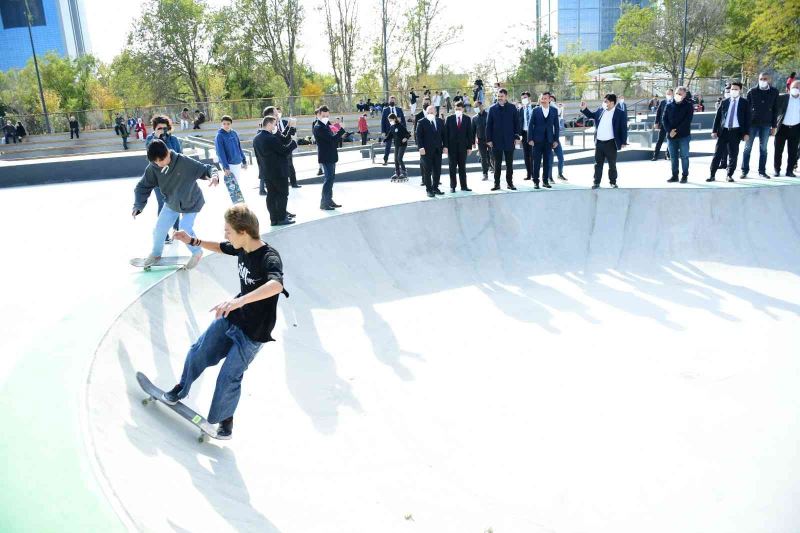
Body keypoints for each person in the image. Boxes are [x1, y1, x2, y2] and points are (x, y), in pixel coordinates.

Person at [160, 204, 288, 440]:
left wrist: (238, 302)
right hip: (233, 317)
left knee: (229, 376)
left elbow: (276, 285)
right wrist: (193, 240)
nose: (225, 234)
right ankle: (182, 387)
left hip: (253, 332)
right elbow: (220, 247)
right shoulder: (241, 248)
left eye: (228, 230)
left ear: (244, 232)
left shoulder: (269, 257)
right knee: (200, 350)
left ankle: (225, 418)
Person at [131, 139, 220, 269]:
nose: (159, 164)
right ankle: (156, 254)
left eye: (161, 160)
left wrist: (214, 176)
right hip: (172, 202)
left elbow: (206, 168)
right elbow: (142, 187)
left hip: (191, 201)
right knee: (159, 230)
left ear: (167, 152)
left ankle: (197, 252)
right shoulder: (153, 168)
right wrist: (138, 205)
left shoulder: (183, 162)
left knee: (184, 228)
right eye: (155, 161)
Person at [253, 115, 298, 226]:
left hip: (266, 172)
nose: (275, 126)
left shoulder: (256, 138)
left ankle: (274, 219)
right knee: (283, 194)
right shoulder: (270, 138)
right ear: (268, 124)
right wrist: (293, 144)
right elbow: (284, 151)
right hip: (278, 172)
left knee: (271, 195)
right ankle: (282, 218)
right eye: (274, 124)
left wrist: (289, 128)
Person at [146, 115, 184, 242]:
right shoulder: (150, 139)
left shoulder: (173, 140)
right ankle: (163, 233)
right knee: (162, 204)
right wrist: (156, 138)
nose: (162, 130)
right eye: (159, 128)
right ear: (155, 128)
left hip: (173, 177)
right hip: (158, 179)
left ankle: (177, 230)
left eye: (164, 128)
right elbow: (149, 155)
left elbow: (180, 157)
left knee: (175, 203)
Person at [579, 93, 628, 189]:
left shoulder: (620, 113)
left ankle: (613, 182)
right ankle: (596, 182)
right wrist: (584, 108)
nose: (604, 103)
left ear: (612, 102)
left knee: (612, 164)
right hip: (599, 142)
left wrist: (623, 141)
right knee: (598, 164)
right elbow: (592, 115)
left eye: (606, 101)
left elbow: (623, 128)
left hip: (611, 143)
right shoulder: (601, 110)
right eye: (604, 101)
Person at [706, 82, 751, 183]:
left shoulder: (745, 103)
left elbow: (748, 119)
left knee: (733, 155)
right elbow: (718, 117)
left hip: (736, 132)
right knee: (717, 154)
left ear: (740, 91)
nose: (733, 91)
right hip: (723, 131)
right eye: (732, 89)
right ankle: (712, 175)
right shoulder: (725, 102)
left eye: (736, 89)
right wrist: (714, 130)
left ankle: (729, 175)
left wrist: (746, 133)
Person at [741, 72, 779, 179]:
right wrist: (745, 128)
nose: (763, 80)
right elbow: (746, 110)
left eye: (765, 79)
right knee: (747, 148)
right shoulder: (752, 91)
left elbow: (775, 110)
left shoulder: (774, 92)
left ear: (769, 80)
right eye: (761, 78)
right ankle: (744, 171)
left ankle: (762, 171)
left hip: (766, 124)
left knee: (763, 149)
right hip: (752, 124)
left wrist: (774, 126)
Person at [485, 88, 520, 191]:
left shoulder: (512, 108)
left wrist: (517, 137)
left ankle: (510, 183)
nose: (499, 98)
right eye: (498, 96)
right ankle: (497, 184)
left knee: (509, 164)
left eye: (501, 96)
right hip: (496, 141)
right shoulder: (492, 109)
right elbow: (488, 126)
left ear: (506, 97)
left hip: (510, 140)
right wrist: (489, 140)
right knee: (497, 164)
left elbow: (517, 123)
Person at [313, 105, 346, 210]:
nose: (326, 117)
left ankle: (329, 200)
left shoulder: (326, 124)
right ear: (318, 115)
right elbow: (332, 139)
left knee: (331, 179)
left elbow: (333, 138)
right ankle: (324, 203)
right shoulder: (318, 127)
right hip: (326, 156)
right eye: (323, 115)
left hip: (331, 155)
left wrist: (340, 132)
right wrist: (341, 130)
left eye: (327, 115)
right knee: (328, 179)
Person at [527, 93, 560, 189]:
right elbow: (530, 125)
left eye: (545, 98)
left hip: (549, 141)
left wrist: (556, 140)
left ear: (549, 99)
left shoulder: (554, 110)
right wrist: (530, 139)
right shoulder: (535, 110)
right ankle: (536, 181)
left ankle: (545, 181)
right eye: (542, 98)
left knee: (547, 162)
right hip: (537, 140)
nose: (543, 100)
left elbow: (556, 127)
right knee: (536, 162)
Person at [662, 86, 694, 183]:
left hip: (683, 136)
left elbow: (687, 121)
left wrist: (675, 131)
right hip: (671, 137)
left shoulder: (688, 105)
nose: (678, 95)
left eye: (680, 94)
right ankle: (674, 175)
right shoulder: (669, 105)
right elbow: (664, 119)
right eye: (677, 93)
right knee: (673, 157)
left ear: (684, 95)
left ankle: (684, 176)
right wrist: (669, 131)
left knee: (684, 156)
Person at [214, 115, 247, 204]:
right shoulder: (219, 136)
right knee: (231, 185)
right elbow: (221, 153)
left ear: (231, 124)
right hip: (229, 164)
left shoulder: (234, 133)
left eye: (228, 124)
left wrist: (244, 160)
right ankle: (234, 204)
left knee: (236, 184)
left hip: (237, 162)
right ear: (221, 124)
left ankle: (238, 203)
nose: (226, 125)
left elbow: (239, 147)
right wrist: (226, 167)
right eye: (224, 124)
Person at [415, 104, 445, 197]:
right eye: (429, 112)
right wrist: (420, 147)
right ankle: (429, 189)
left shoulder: (440, 121)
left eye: (432, 112)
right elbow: (418, 136)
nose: (430, 114)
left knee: (437, 170)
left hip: (438, 150)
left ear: (436, 112)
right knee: (427, 171)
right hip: (426, 151)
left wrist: (445, 146)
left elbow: (444, 135)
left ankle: (435, 187)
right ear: (426, 113)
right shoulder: (421, 122)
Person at [443, 101, 473, 192]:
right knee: (452, 167)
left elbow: (469, 134)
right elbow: (445, 134)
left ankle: (464, 186)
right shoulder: (449, 118)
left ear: (463, 109)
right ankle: (453, 186)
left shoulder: (467, 119)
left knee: (462, 167)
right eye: (456, 109)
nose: (457, 110)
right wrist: (445, 147)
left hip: (463, 148)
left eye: (459, 109)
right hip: (452, 148)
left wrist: (469, 147)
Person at [774, 80, 800, 177]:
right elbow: (774, 109)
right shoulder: (783, 97)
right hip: (782, 128)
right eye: (794, 87)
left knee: (792, 152)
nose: (795, 89)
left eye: (798, 88)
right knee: (778, 150)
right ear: (789, 88)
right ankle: (777, 170)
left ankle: (790, 171)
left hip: (796, 128)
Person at [386, 112, 411, 181]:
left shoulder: (400, 126)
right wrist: (384, 140)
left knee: (399, 158)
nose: (390, 122)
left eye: (391, 120)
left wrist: (406, 138)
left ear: (394, 119)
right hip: (396, 145)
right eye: (389, 121)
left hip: (403, 145)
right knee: (395, 159)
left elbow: (408, 134)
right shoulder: (392, 127)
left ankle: (404, 172)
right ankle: (397, 173)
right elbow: (389, 135)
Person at [472, 100, 492, 181]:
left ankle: (493, 168)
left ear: (481, 106)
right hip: (480, 141)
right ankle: (485, 173)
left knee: (492, 156)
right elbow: (472, 131)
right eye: (475, 107)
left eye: (477, 106)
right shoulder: (474, 118)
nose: (476, 108)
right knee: (483, 157)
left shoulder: (489, 115)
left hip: (490, 140)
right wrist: (473, 143)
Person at [380, 96, 405, 165]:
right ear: (388, 101)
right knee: (388, 146)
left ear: (395, 101)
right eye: (391, 100)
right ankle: (385, 160)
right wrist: (383, 131)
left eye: (393, 100)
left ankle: (398, 160)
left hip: (398, 131)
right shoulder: (385, 110)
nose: (392, 101)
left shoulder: (399, 109)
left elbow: (403, 120)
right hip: (389, 131)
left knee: (398, 146)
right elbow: (383, 121)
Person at [549, 95, 567, 181]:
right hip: (548, 138)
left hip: (555, 138)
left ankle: (560, 174)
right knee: (550, 159)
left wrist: (561, 108)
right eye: (550, 100)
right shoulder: (546, 111)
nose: (551, 102)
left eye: (553, 101)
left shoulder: (557, 111)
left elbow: (560, 123)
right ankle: (549, 176)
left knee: (561, 157)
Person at [517, 91, 535, 181]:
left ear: (529, 98)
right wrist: (518, 136)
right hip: (524, 134)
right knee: (526, 155)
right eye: (522, 98)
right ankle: (528, 174)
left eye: (525, 97)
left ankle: (534, 173)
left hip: (533, 134)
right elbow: (518, 123)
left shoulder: (534, 108)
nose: (524, 99)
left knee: (533, 155)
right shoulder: (520, 110)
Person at [652, 89, 672, 161]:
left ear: (672, 94)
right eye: (667, 93)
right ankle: (655, 156)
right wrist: (656, 122)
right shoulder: (663, 102)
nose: (668, 95)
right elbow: (658, 113)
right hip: (663, 124)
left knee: (670, 140)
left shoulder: (675, 102)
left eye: (669, 93)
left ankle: (668, 155)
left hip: (671, 125)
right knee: (660, 140)